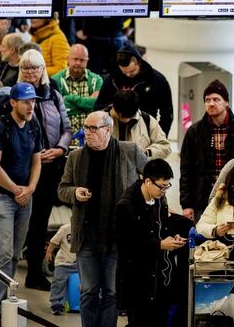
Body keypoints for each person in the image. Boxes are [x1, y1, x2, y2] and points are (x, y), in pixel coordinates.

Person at [57, 111, 148, 327]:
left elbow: (152, 177)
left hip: (117, 235)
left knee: (112, 291)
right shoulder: (76, 156)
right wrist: (75, 192)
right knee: (88, 290)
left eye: (93, 128)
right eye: (86, 128)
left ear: (108, 130)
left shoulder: (129, 151)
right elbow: (62, 189)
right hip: (86, 235)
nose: (87, 132)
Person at [0, 82, 43, 326]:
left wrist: (30, 188)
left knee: (16, 254)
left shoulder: (33, 125)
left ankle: (10, 300)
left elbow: (37, 160)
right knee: (4, 253)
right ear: (13, 103)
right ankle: (0, 308)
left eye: (33, 102)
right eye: (26, 102)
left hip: (25, 197)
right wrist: (16, 190)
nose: (31, 106)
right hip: (1, 197)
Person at [17, 49, 73, 290]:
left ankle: (35, 273)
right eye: (26, 68)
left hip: (53, 165)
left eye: (35, 67)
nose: (31, 72)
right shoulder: (14, 94)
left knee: (40, 220)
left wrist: (60, 149)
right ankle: (24, 270)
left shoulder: (54, 95)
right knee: (25, 221)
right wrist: (35, 154)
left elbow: (67, 128)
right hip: (26, 167)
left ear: (43, 71)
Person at [116, 159, 187, 326]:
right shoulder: (126, 206)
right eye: (161, 186)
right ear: (147, 181)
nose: (164, 191)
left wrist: (173, 237)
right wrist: (159, 245)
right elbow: (125, 244)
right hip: (137, 283)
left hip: (159, 281)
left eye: (167, 186)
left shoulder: (160, 201)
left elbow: (162, 230)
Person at [180, 79, 234, 219]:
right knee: (204, 236)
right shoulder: (194, 132)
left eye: (216, 99)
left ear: (226, 102)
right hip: (202, 198)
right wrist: (186, 204)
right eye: (207, 100)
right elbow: (186, 170)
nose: (211, 103)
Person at [94, 43, 173, 134]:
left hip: (144, 130)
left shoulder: (156, 79)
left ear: (139, 62)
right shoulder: (112, 79)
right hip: (115, 130)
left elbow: (167, 113)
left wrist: (159, 136)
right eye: (124, 71)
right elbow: (98, 106)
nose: (128, 75)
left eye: (132, 71)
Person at [51, 44, 103, 138]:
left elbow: (97, 106)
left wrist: (69, 99)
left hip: (92, 138)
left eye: (82, 60)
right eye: (75, 59)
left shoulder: (97, 80)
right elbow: (56, 109)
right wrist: (87, 105)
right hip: (63, 138)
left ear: (87, 61)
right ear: (68, 59)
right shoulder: (56, 79)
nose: (78, 63)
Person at [109, 89, 171, 159]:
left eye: (129, 115)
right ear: (114, 107)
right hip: (110, 168)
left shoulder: (147, 120)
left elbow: (165, 146)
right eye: (122, 115)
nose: (125, 119)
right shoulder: (100, 119)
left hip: (139, 168)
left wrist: (146, 153)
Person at [46, 223, 77, 315]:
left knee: (86, 283)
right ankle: (56, 303)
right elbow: (54, 241)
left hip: (79, 263)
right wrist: (49, 252)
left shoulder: (86, 229)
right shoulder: (65, 228)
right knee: (58, 282)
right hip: (64, 263)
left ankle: (80, 303)